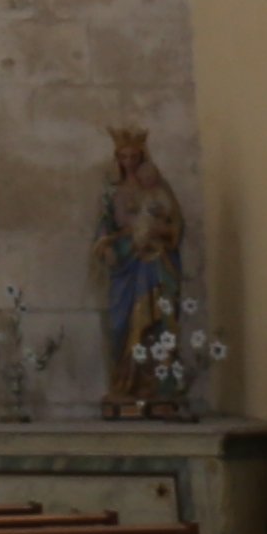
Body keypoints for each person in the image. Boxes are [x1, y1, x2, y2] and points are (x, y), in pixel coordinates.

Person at [92, 122, 193, 421]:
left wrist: (159, 233)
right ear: (117, 159)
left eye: (134, 156)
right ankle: (126, 383)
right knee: (121, 323)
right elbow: (103, 228)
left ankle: (159, 384)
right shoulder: (112, 193)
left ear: (142, 157)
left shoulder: (159, 189)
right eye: (123, 157)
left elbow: (177, 226)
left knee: (159, 321)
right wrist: (107, 248)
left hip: (156, 264)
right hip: (125, 264)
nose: (129, 163)